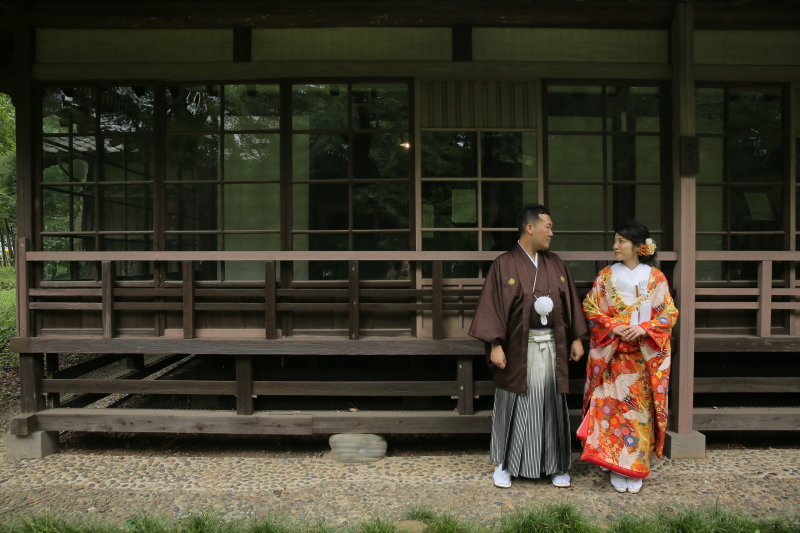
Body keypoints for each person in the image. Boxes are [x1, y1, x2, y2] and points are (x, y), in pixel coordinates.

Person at [469, 203, 588, 489]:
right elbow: (493, 305)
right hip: (518, 349)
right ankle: (506, 464)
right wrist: (495, 344)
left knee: (552, 403)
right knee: (516, 402)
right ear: (529, 227)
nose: (552, 232)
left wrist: (575, 337)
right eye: (547, 226)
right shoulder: (504, 264)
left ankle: (557, 464)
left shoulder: (555, 263)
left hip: (552, 347)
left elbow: (569, 300)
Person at [578, 220, 679, 494]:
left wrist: (644, 328)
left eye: (621, 241)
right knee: (610, 411)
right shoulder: (605, 276)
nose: (615, 246)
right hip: (612, 357)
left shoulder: (656, 278)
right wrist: (613, 326)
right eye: (615, 241)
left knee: (638, 414)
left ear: (638, 246)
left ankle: (635, 467)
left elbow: (668, 314)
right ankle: (612, 463)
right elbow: (591, 307)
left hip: (642, 359)